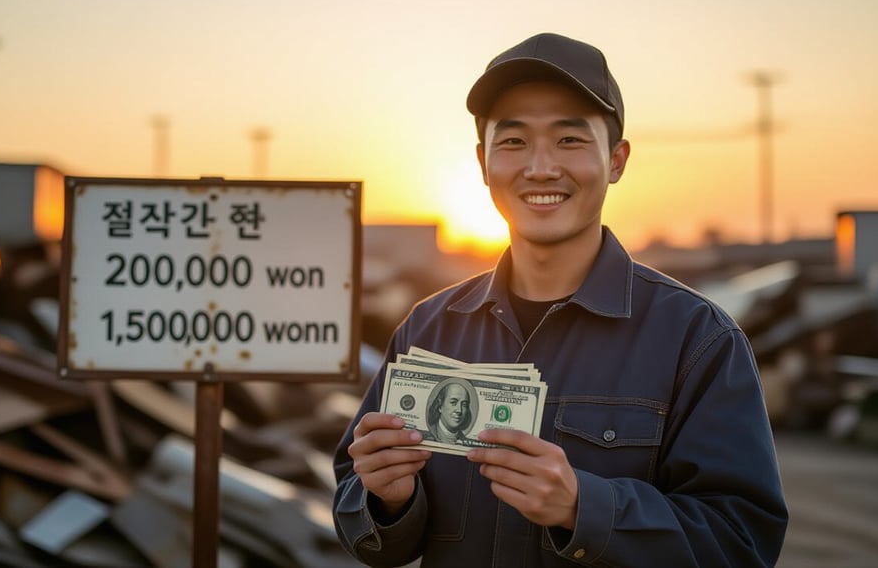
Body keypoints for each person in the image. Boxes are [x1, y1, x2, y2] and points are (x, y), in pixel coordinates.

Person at [333, 32, 788, 567]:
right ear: (483, 163)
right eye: (514, 141)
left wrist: (583, 508)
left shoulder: (697, 338)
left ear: (616, 160)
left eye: (569, 140)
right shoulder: (428, 329)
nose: (541, 167)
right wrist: (388, 501)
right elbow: (361, 523)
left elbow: (741, 544)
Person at [426, 380, 474, 444]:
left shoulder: (465, 440)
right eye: (453, 402)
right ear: (440, 406)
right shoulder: (428, 434)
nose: (459, 410)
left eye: (464, 405)